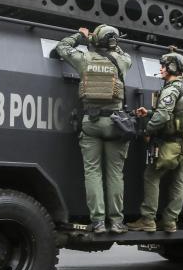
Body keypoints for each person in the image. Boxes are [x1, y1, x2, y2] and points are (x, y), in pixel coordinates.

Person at [55, 25, 132, 234]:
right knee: (116, 174)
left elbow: (62, 47)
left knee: (92, 173)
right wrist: (113, 42)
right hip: (116, 124)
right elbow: (124, 55)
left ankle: (97, 222)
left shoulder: (84, 59)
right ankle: (116, 222)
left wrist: (80, 35)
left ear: (96, 40)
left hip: (92, 123)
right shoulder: (123, 61)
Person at [127, 49, 183, 233]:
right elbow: (177, 113)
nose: (161, 69)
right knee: (178, 182)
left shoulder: (171, 89)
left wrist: (147, 129)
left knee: (151, 176)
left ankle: (148, 219)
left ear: (172, 68)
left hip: (170, 144)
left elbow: (163, 115)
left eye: (164, 66)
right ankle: (170, 221)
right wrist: (149, 112)